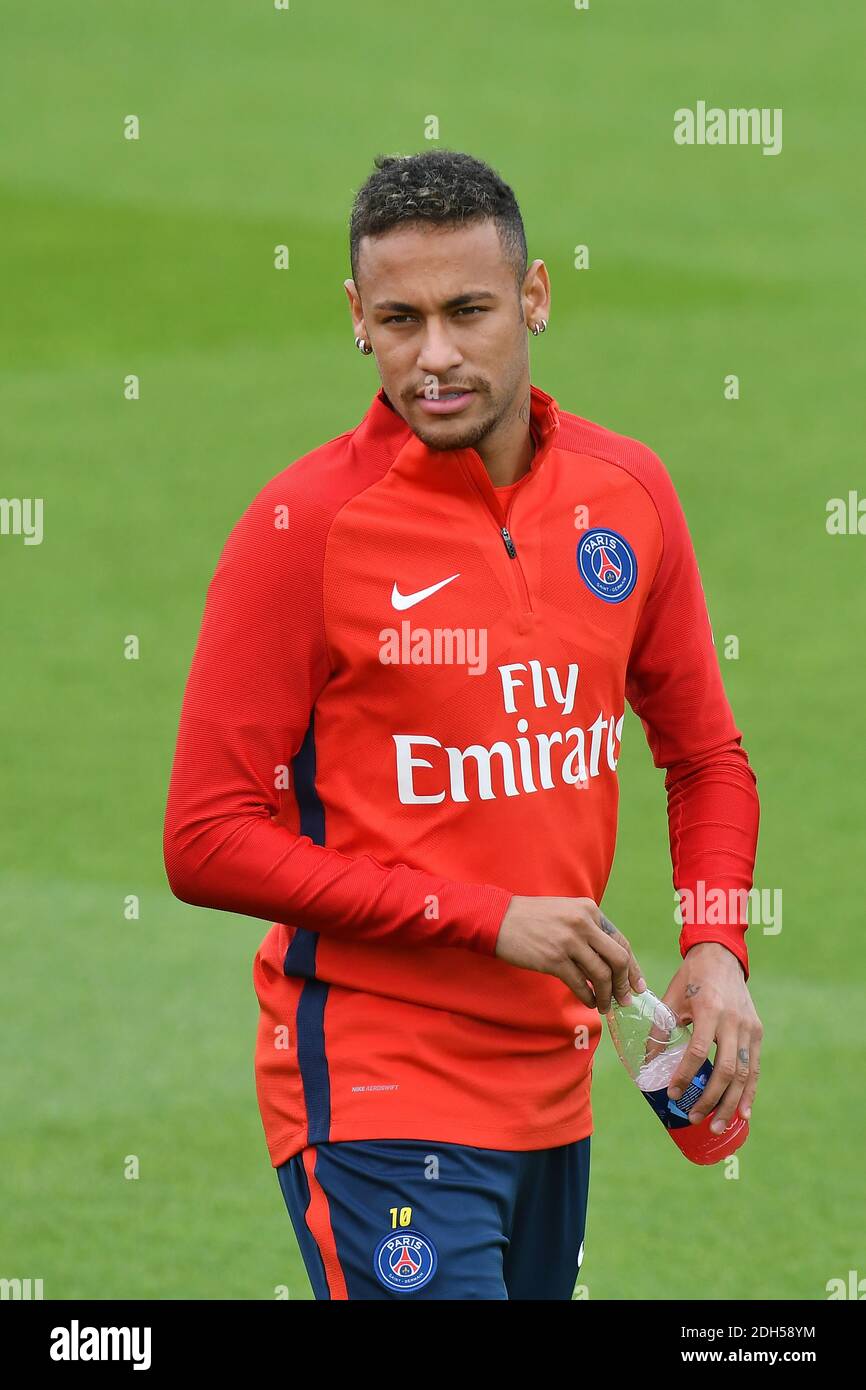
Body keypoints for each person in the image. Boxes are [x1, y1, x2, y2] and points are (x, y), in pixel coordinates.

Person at [163, 149, 762, 1300]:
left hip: (550, 1086)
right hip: (374, 1089)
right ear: (356, 318)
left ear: (532, 297)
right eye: (398, 319)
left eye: (466, 311)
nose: (432, 355)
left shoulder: (624, 495)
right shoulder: (304, 529)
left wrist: (715, 946)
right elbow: (204, 837)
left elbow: (704, 755)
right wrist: (488, 919)